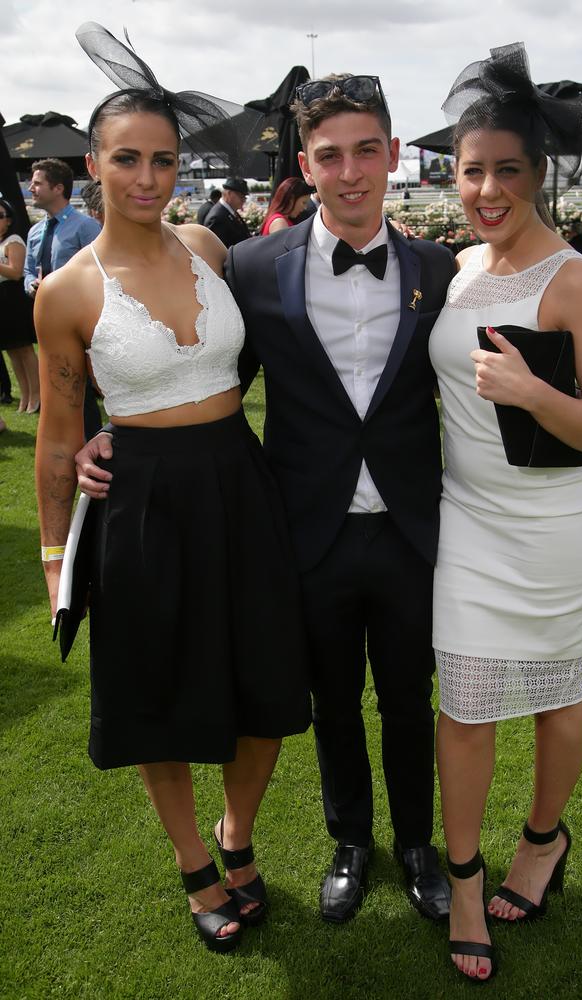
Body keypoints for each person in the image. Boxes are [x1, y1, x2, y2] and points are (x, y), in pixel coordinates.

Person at [78, 72, 457, 926]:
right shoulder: (250, 266)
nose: (351, 170)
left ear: (394, 156)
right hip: (298, 531)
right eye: (330, 154)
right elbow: (205, 375)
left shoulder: (439, 266)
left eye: (367, 150)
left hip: (412, 530)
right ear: (306, 164)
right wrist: (116, 434)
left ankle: (416, 846)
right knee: (326, 703)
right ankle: (350, 844)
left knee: (408, 696)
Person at [36, 21, 311, 953]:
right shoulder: (67, 291)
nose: (148, 178)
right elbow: (58, 433)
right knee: (155, 682)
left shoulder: (208, 244)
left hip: (241, 479)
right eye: (127, 160)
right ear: (93, 162)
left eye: (162, 160)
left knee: (266, 673)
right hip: (141, 502)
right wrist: (50, 552)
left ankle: (239, 831)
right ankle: (196, 859)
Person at [429, 44, 582, 982]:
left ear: (540, 173)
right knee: (465, 704)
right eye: (472, 171)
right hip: (465, 521)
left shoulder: (576, 279)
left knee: (558, 697)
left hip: (553, 526)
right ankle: (464, 877)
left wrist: (529, 391)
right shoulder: (456, 267)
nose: (487, 188)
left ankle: (543, 842)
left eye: (508, 170)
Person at [25, 158, 103, 437]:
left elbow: (100, 271)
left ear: (58, 188)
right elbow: (27, 270)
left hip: (82, 323)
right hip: (48, 323)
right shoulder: (35, 231)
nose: (30, 188)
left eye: (37, 183)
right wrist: (31, 285)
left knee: (80, 392)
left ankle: (95, 445)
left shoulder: (85, 227)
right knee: (61, 389)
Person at [0, 197, 40, 413]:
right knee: (12, 352)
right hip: (2, 300)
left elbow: (16, 272)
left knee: (24, 349)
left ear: (8, 220)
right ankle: (25, 396)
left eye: (0, 216)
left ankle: (37, 395)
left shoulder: (13, 240)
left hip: (13, 299)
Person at [204, 178, 251, 246]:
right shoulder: (217, 217)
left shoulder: (230, 211)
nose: (243, 200)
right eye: (241, 197)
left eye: (245, 197)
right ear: (229, 194)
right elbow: (217, 249)